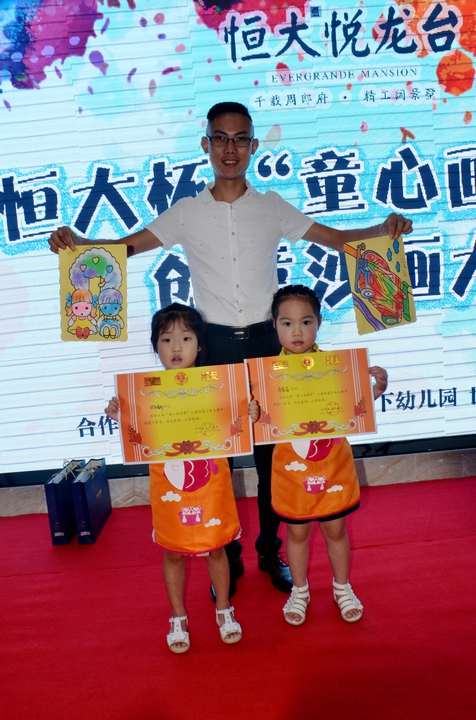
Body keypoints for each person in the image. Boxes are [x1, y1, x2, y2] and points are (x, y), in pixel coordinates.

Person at [48, 100, 413, 597]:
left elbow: (338, 239)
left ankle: (269, 550)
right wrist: (76, 244)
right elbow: (127, 248)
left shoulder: (272, 206)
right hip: (213, 346)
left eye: (240, 138)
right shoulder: (186, 212)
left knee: (271, 459)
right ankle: (228, 552)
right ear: (206, 144)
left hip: (268, 344)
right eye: (220, 138)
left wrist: (384, 230)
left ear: (253, 146)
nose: (230, 148)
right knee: (215, 458)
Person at [105, 303, 259, 653]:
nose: (176, 347)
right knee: (173, 552)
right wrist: (121, 413)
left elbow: (235, 428)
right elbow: (138, 434)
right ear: (155, 346)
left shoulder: (220, 386)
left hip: (211, 482)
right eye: (166, 339)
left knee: (216, 548)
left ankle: (224, 608)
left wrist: (249, 412)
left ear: (200, 345)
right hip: (168, 485)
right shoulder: (145, 393)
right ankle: (178, 616)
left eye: (186, 338)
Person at [267, 284, 388, 626]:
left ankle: (342, 587)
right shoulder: (265, 375)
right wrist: (252, 410)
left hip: (332, 463)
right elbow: (256, 422)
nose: (297, 332)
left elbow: (355, 408)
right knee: (296, 533)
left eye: (306, 322)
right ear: (274, 325)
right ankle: (300, 591)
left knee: (335, 530)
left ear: (319, 322)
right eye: (287, 323)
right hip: (291, 469)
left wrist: (375, 389)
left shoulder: (338, 368)